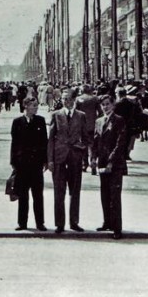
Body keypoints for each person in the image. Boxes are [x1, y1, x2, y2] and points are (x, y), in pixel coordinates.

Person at [47, 88, 91, 233]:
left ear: (75, 100)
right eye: (65, 99)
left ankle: (74, 222)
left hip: (75, 158)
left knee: (75, 191)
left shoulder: (81, 116)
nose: (67, 102)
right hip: (59, 158)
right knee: (59, 192)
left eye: (70, 99)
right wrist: (50, 160)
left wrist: (82, 152)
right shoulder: (56, 115)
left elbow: (85, 137)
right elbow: (51, 139)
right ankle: (60, 224)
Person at [91, 94, 128, 238]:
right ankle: (107, 222)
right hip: (102, 162)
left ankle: (117, 228)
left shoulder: (119, 120)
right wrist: (93, 157)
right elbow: (95, 140)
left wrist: (111, 162)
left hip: (115, 163)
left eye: (107, 104)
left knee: (114, 196)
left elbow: (120, 143)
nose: (105, 107)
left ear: (113, 105)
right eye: (103, 104)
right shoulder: (99, 121)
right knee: (104, 194)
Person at [10, 97, 48, 231]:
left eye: (36, 105)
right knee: (23, 195)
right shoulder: (17, 122)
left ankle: (40, 223)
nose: (36, 108)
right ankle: (22, 223)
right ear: (25, 106)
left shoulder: (40, 121)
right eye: (33, 105)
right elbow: (14, 144)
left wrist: (45, 161)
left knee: (38, 195)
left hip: (37, 164)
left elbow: (45, 142)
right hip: (22, 164)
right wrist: (13, 162)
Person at [75, 84, 102, 173]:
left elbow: (75, 113)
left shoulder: (78, 99)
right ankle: (93, 160)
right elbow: (100, 112)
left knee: (83, 145)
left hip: (82, 126)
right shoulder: (95, 99)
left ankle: (84, 164)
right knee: (92, 145)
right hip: (93, 125)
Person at [113, 86, 143, 164]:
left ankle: (122, 156)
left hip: (119, 125)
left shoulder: (117, 104)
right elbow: (136, 114)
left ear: (119, 94)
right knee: (127, 140)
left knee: (119, 140)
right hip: (129, 124)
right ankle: (126, 154)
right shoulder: (131, 104)